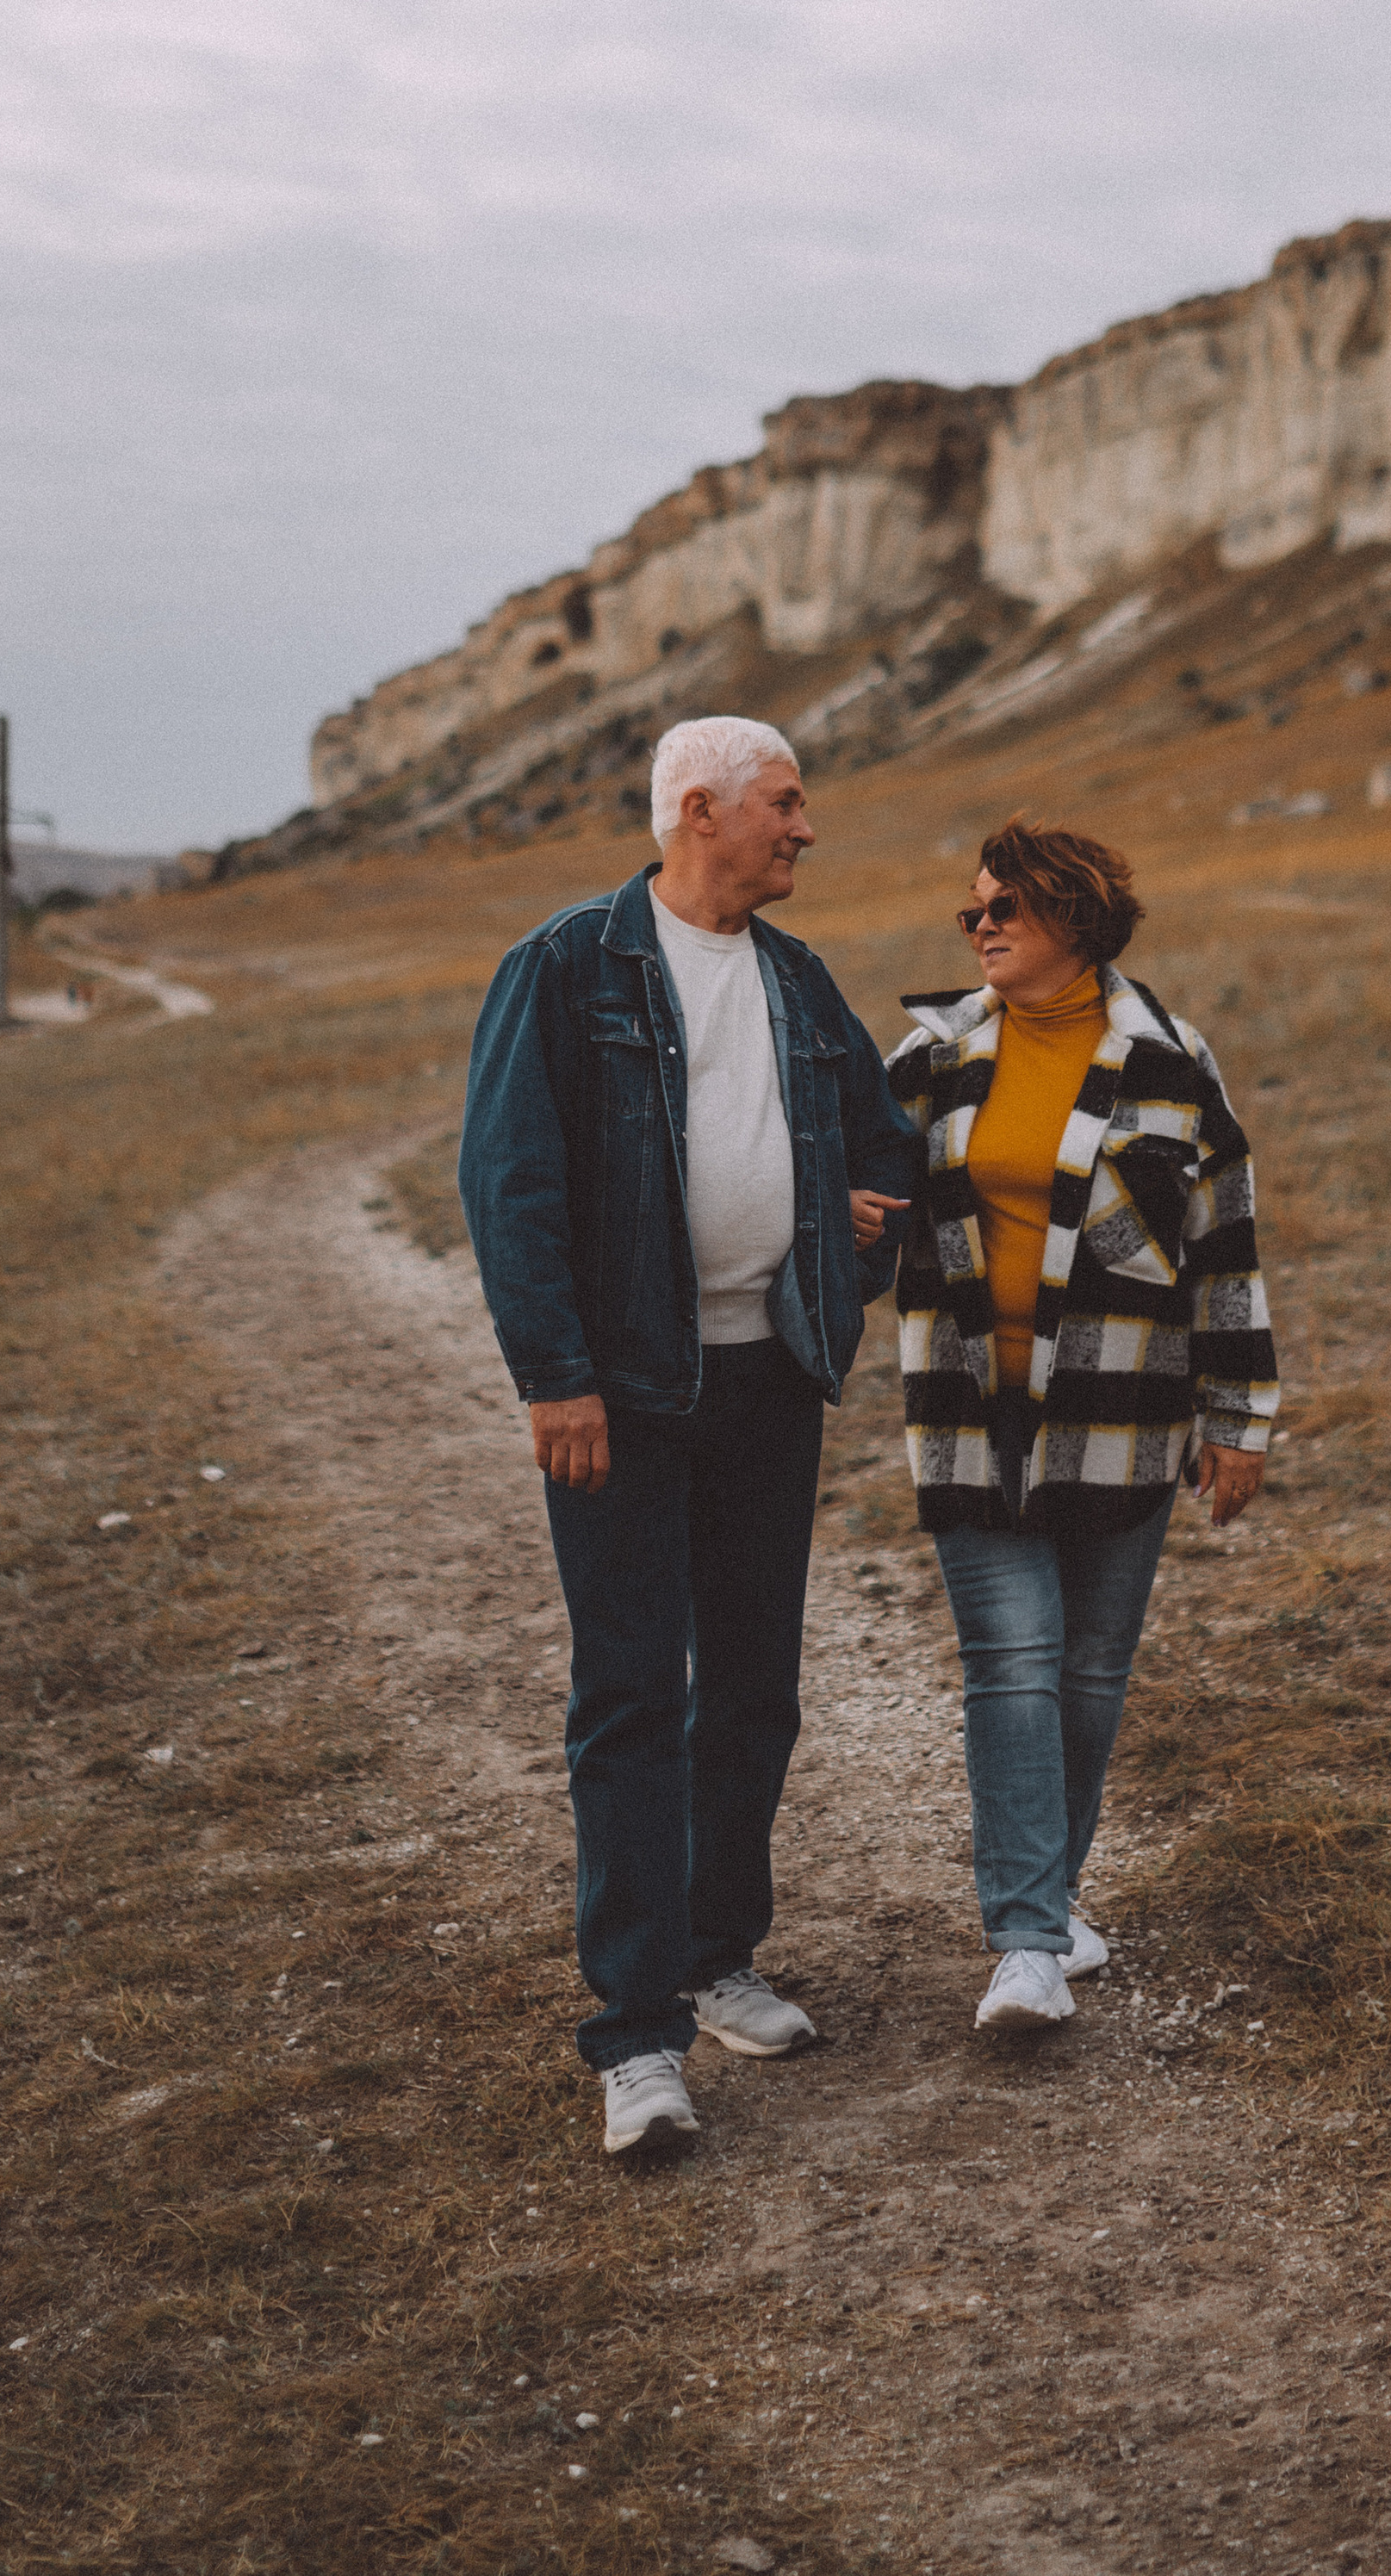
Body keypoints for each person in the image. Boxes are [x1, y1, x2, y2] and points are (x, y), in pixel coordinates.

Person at [459, 716, 920, 2156]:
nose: (803, 829)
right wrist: (557, 1377)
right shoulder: (566, 965)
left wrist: (849, 1222)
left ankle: (720, 1951)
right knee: (631, 1700)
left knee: (755, 1688)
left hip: (766, 1382)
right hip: (626, 1394)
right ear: (700, 810)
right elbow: (511, 1181)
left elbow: (886, 1155)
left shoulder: (795, 977)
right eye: (783, 805)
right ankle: (638, 2036)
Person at [887, 821, 1277, 2032]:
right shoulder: (931, 1058)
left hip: (1125, 1415)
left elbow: (1225, 1251)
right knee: (1011, 1663)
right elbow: (850, 1193)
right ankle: (1026, 1943)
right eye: (973, 911)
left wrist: (1241, 1415)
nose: (983, 926)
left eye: (1005, 906)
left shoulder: (1170, 1063)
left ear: (1077, 918)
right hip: (965, 1417)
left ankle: (1048, 1902)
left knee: (1091, 1672)